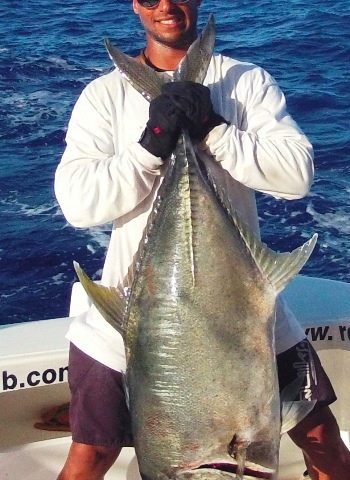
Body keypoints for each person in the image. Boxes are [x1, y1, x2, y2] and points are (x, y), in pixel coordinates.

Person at [54, 1, 350, 479]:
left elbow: (296, 177)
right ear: (136, 5)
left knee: (324, 443)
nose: (166, 7)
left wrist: (213, 128)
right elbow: (78, 204)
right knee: (90, 456)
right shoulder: (103, 95)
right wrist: (152, 143)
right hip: (134, 322)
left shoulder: (244, 81)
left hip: (247, 313)